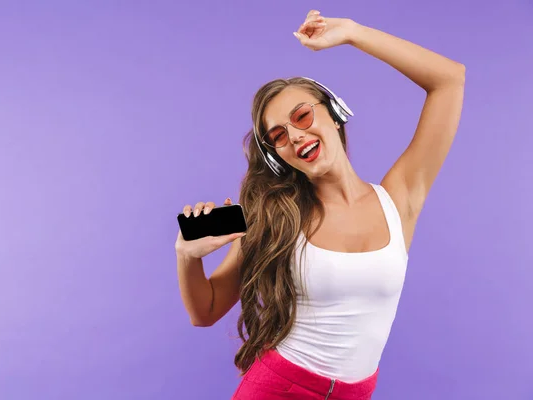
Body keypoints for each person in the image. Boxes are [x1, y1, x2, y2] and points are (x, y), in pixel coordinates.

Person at [175, 10, 465, 400]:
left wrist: (353, 33)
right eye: (278, 135)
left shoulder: (399, 199)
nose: (295, 136)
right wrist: (187, 256)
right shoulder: (275, 218)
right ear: (278, 154)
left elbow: (449, 80)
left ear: (336, 112)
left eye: (302, 115)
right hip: (278, 388)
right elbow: (205, 311)